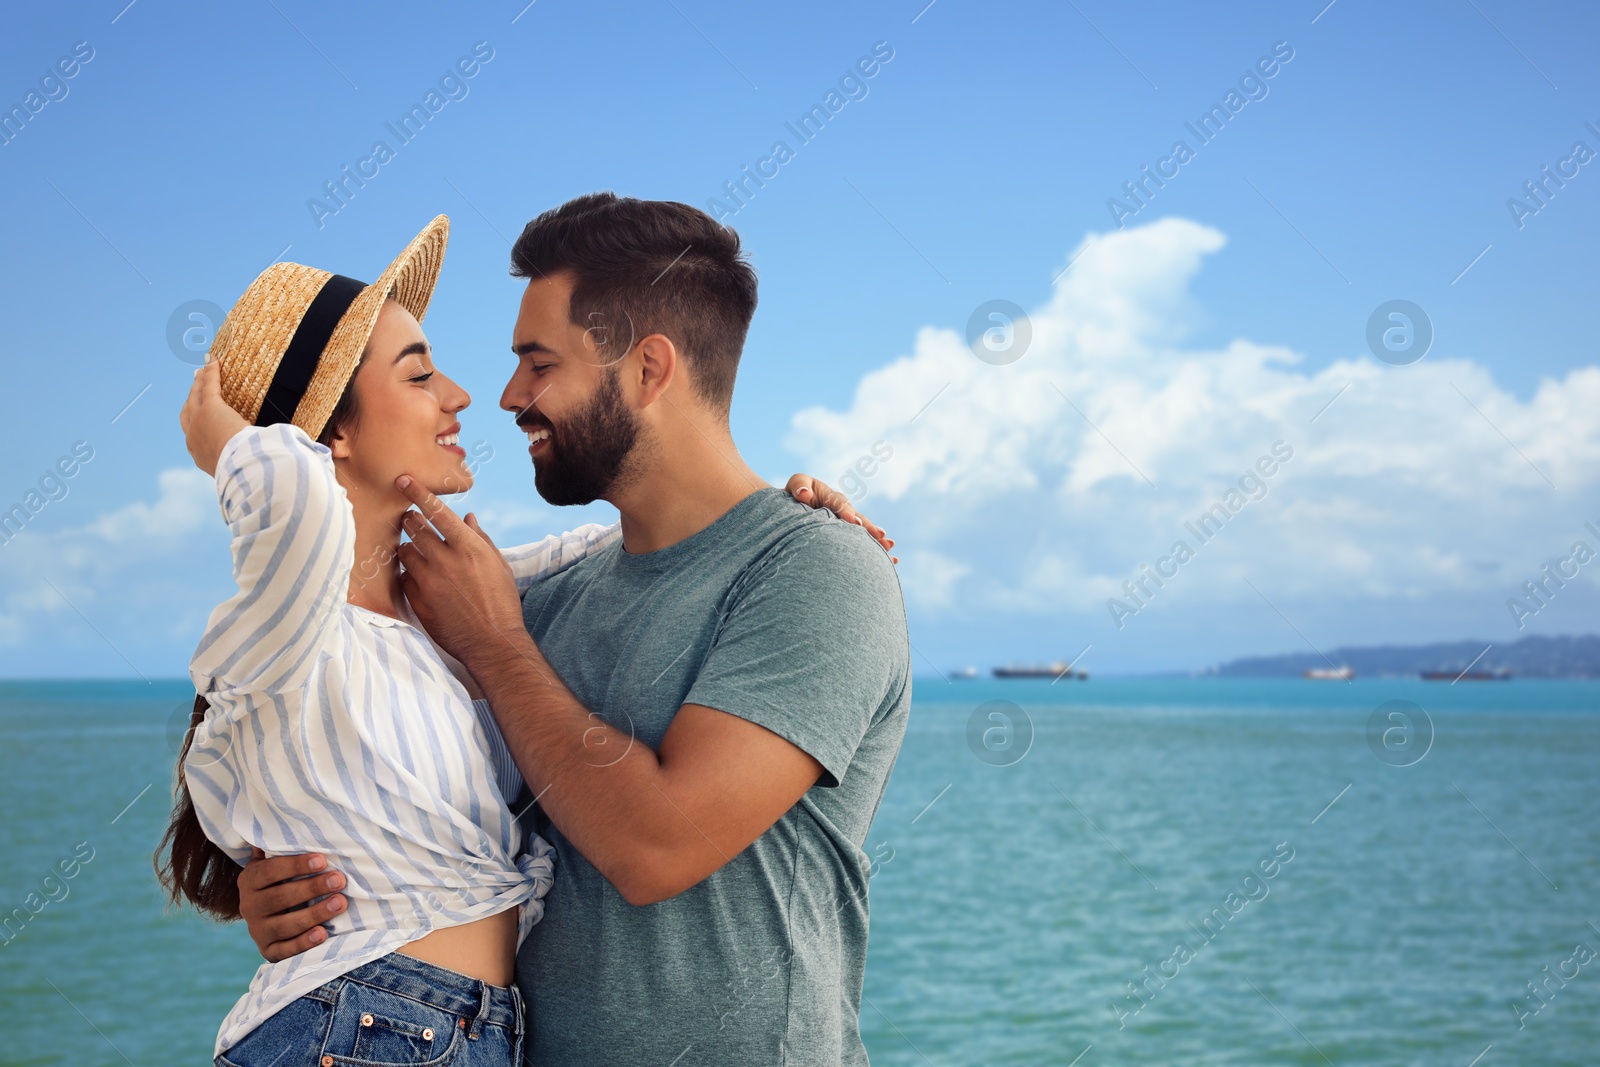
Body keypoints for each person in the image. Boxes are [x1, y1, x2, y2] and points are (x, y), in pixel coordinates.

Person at [158, 214, 885, 1067]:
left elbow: (654, 844)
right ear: (332, 434)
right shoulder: (455, 615)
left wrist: (792, 511)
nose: (492, 396)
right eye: (424, 373)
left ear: (649, 367)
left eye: (538, 364)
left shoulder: (496, 614)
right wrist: (236, 448)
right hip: (394, 1030)